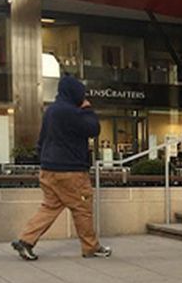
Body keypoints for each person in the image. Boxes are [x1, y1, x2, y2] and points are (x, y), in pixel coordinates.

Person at [11, 75, 111, 261]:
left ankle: (26, 240)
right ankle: (91, 247)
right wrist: (88, 109)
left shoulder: (51, 111)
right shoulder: (71, 112)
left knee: (50, 207)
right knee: (82, 208)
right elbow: (93, 129)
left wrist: (44, 159)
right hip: (70, 170)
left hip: (49, 169)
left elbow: (41, 140)